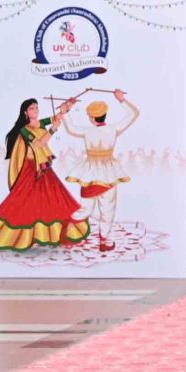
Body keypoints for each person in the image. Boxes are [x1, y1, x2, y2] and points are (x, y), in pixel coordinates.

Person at [0, 96, 89, 251]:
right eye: (32, 108)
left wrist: (66, 108)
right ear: (25, 112)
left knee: (54, 198)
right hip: (31, 168)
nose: (35, 110)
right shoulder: (24, 130)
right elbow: (39, 144)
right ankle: (16, 235)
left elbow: (56, 117)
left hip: (43, 166)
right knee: (24, 200)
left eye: (36, 107)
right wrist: (53, 129)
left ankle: (52, 234)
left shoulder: (41, 123)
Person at [61, 89, 139, 253]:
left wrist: (66, 111)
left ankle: (64, 233)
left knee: (86, 209)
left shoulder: (86, 130)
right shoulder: (113, 128)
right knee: (107, 210)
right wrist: (121, 99)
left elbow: (71, 128)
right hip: (108, 173)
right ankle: (103, 242)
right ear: (105, 115)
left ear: (91, 117)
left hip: (89, 173)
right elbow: (134, 114)